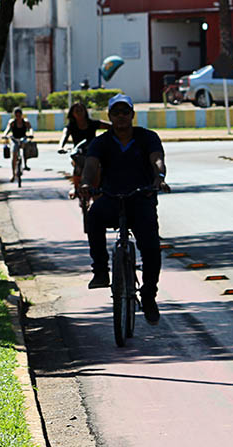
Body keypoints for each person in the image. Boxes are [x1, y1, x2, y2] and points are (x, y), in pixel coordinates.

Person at [79, 94, 170, 325]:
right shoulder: (101, 142)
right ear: (109, 116)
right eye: (116, 112)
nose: (121, 116)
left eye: (125, 112)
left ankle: (149, 294)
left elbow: (157, 159)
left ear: (132, 115)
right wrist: (86, 185)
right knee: (94, 217)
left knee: (151, 248)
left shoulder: (147, 137)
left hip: (141, 198)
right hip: (111, 197)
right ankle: (100, 269)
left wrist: (159, 177)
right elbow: (90, 166)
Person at [58, 103, 111, 197]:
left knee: (100, 167)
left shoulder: (93, 123)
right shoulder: (71, 126)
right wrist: (61, 147)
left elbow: (111, 126)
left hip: (93, 152)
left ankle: (100, 187)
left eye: (81, 110)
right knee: (77, 168)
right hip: (78, 153)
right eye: (76, 111)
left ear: (85, 112)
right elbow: (64, 136)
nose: (79, 113)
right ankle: (75, 188)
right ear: (72, 114)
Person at [2, 107, 34, 181]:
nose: (18, 117)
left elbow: (30, 129)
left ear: (21, 115)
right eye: (16, 115)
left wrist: (31, 134)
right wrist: (4, 135)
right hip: (14, 139)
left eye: (19, 115)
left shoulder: (25, 122)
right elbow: (7, 129)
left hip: (23, 138)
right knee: (14, 154)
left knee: (25, 147)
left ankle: (25, 164)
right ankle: (13, 174)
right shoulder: (12, 122)